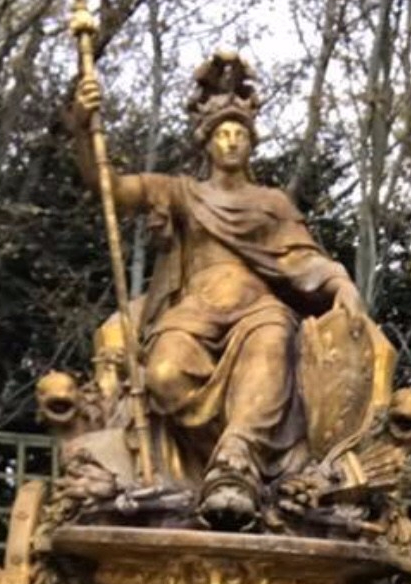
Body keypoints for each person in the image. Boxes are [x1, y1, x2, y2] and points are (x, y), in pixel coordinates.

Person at [72, 53, 364, 524]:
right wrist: (85, 130)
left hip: (258, 311)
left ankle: (236, 461)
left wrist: (339, 281)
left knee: (273, 342)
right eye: (222, 134)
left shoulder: (271, 203)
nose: (231, 141)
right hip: (194, 313)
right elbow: (109, 186)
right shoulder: (181, 193)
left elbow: (302, 258)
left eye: (239, 134)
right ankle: (219, 465)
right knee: (163, 373)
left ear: (251, 142)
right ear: (207, 143)